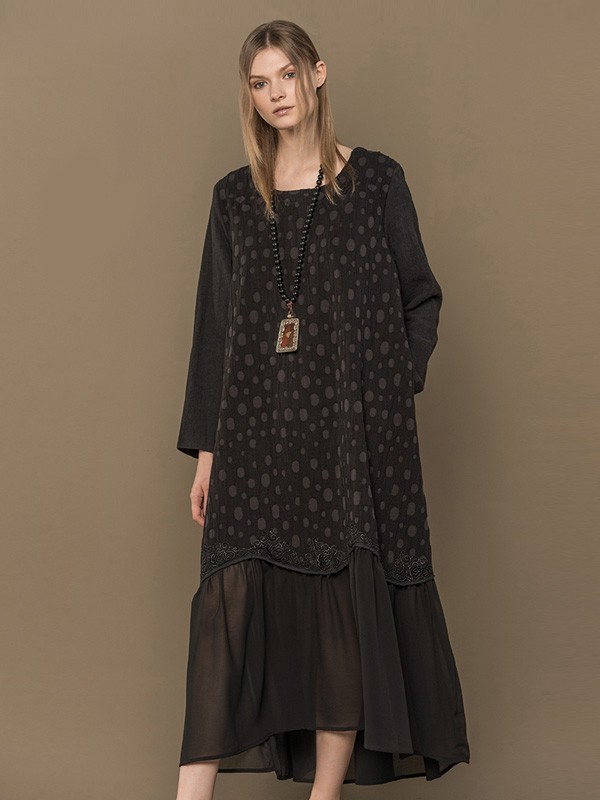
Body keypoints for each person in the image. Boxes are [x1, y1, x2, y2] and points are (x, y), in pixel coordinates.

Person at [174, 19, 470, 800]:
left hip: (347, 440)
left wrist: (388, 386)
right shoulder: (234, 199)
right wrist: (207, 455)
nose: (275, 94)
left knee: (342, 605)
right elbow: (213, 335)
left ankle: (324, 794)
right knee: (229, 610)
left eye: (286, 76)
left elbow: (420, 298)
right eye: (259, 83)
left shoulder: (376, 182)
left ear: (318, 74)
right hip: (255, 438)